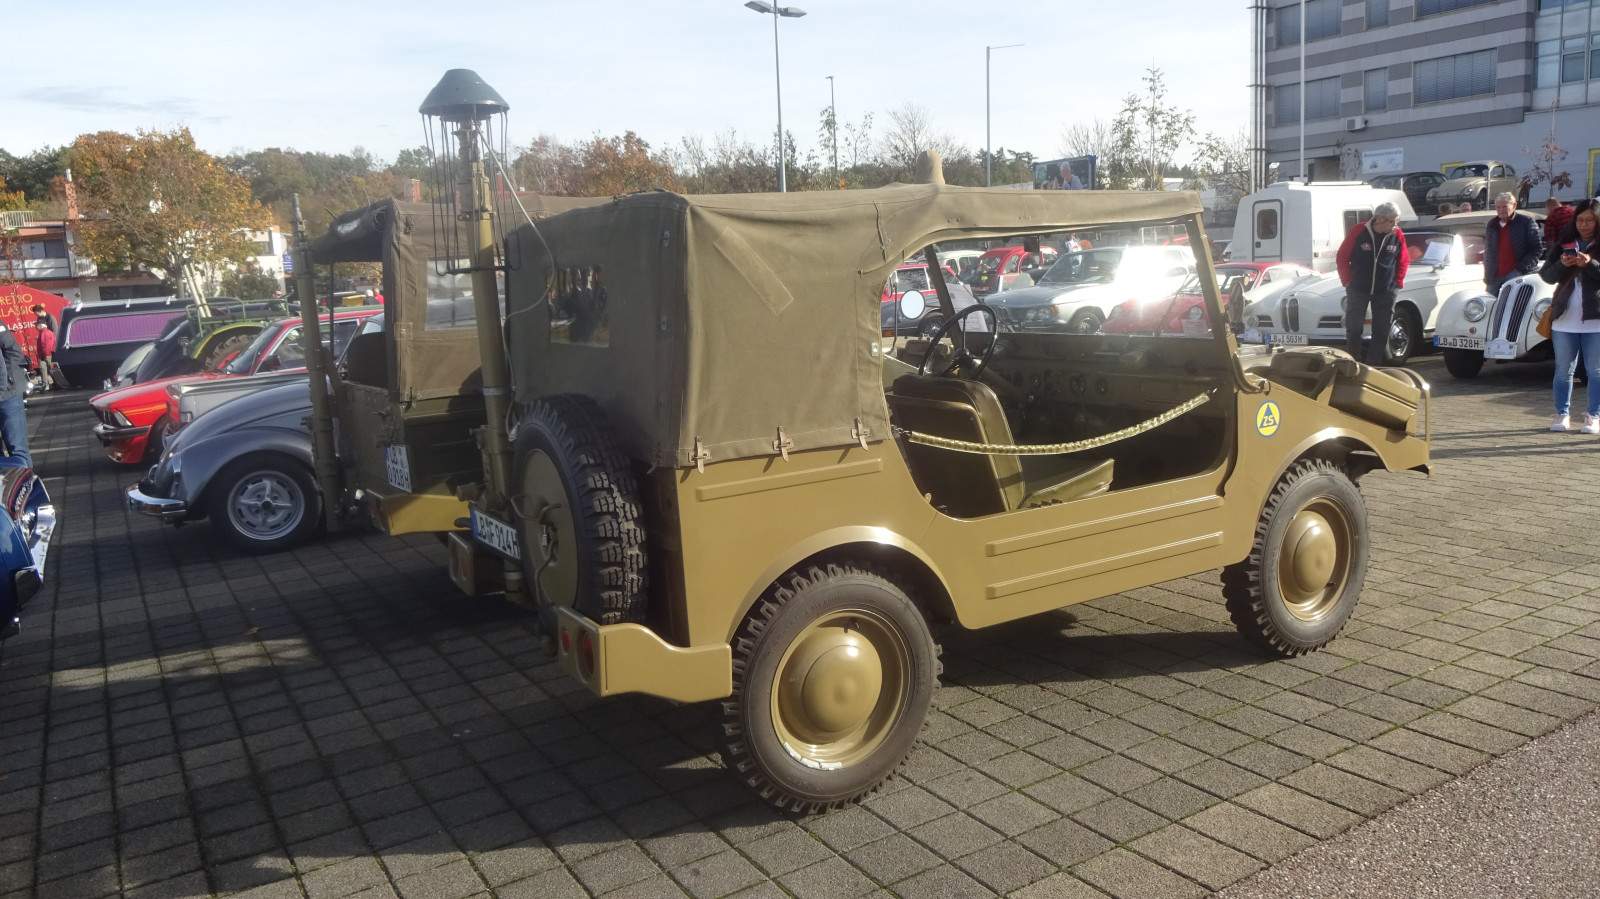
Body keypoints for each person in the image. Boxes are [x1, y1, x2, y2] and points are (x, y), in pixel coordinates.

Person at [1539, 199, 1600, 434]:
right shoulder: (1564, 243)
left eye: (1589, 220)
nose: (1584, 225)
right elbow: (1546, 275)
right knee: (1563, 370)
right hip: (1564, 320)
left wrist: (1590, 264)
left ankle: (1593, 416)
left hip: (1595, 321)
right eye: (1580, 220)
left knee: (1595, 372)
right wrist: (1563, 264)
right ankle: (1561, 414)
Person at [1335, 202, 1409, 364]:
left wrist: (1397, 284)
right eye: (1393, 221)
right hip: (1358, 288)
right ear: (1380, 219)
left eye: (1397, 221)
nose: (1396, 225)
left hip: (1385, 290)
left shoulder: (1397, 234)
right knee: (1354, 328)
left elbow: (1403, 260)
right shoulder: (1359, 231)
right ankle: (1354, 362)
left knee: (1381, 330)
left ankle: (1374, 364)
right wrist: (1347, 281)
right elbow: (1342, 257)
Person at [1484, 192, 1543, 294]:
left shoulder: (1526, 222)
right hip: (1494, 276)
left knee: (1513, 302)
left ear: (1514, 206)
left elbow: (1537, 249)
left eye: (1504, 207)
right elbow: (1488, 251)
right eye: (1498, 207)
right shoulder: (1492, 224)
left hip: (1517, 274)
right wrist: (1487, 274)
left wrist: (1520, 269)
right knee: (1489, 302)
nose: (1501, 210)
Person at [0, 323, 30, 468]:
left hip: (8, 394)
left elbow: (14, 353)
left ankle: (27, 480)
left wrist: (7, 381)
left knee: (17, 450)